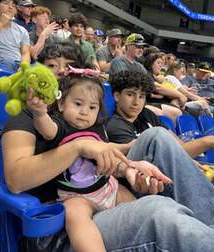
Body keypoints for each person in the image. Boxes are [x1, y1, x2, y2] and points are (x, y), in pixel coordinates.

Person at [2, 58, 214, 251]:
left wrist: (129, 166)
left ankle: (209, 222)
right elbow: (16, 179)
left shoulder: (92, 121)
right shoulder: (31, 117)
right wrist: (78, 145)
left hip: (105, 186)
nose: (61, 72)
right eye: (52, 66)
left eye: (68, 66)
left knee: (155, 136)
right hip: (67, 217)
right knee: (159, 210)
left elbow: (101, 153)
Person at [27, 69, 155, 252]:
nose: (84, 112)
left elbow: (109, 157)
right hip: (76, 196)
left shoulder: (99, 128)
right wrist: (40, 113)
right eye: (78, 104)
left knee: (139, 210)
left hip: (109, 187)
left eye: (92, 107)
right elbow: (47, 130)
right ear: (61, 104)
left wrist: (127, 167)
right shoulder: (60, 125)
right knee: (75, 215)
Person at [107, 70, 214, 159]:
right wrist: (208, 141)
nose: (136, 102)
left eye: (141, 96)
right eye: (130, 94)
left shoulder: (146, 114)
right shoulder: (115, 126)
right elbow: (159, 159)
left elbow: (179, 147)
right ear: (117, 96)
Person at [0, 0, 31, 70]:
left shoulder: (22, 30)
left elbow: (25, 53)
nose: (10, 7)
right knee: (9, 63)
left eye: (14, 5)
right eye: (6, 3)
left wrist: (24, 66)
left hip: (17, 64)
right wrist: (0, 24)